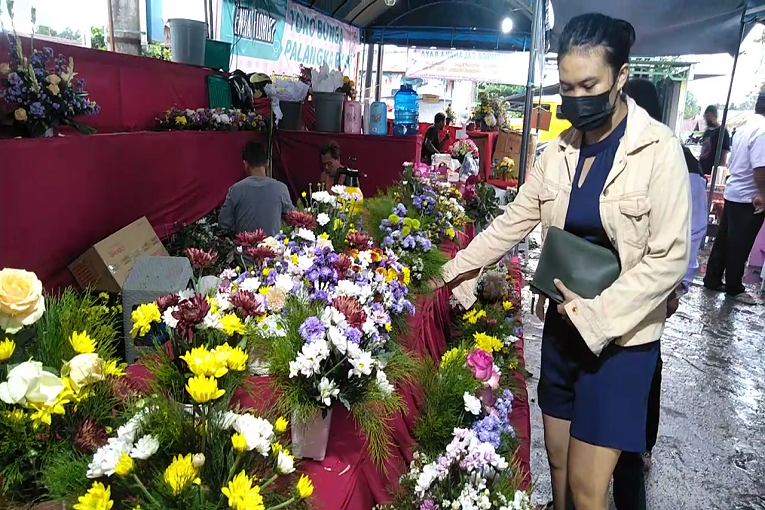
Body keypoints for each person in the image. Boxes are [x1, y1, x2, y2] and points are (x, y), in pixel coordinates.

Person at [432, 13, 690, 510]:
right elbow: (511, 223)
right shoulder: (556, 153)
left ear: (621, 75)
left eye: (589, 85)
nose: (577, 99)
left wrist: (597, 316)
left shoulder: (658, 151)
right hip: (562, 332)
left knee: (589, 492)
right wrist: (447, 272)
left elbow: (669, 259)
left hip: (622, 341)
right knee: (558, 466)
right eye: (567, 88)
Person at [606, 78, 710, 510]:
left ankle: (638, 447)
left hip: (653, 290)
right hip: (615, 286)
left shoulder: (678, 161)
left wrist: (675, 287)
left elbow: (692, 231)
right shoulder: (619, 152)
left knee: (646, 365)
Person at [703, 91, 765, 304]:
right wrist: (763, 195)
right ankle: (734, 287)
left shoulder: (746, 127)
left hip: (735, 190)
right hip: (749, 196)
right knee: (740, 243)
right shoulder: (762, 131)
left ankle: (712, 278)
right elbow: (760, 170)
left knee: (724, 239)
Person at [219, 141, 294, 236]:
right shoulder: (281, 188)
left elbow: (224, 223)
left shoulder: (236, 189)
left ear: (245, 164)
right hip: (273, 244)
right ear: (267, 163)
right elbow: (292, 218)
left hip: (245, 244)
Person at [699, 105, 732, 176]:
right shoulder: (707, 131)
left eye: (708, 116)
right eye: (705, 116)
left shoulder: (722, 131)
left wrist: (720, 171)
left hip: (713, 168)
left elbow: (724, 152)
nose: (706, 119)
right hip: (703, 167)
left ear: (714, 116)